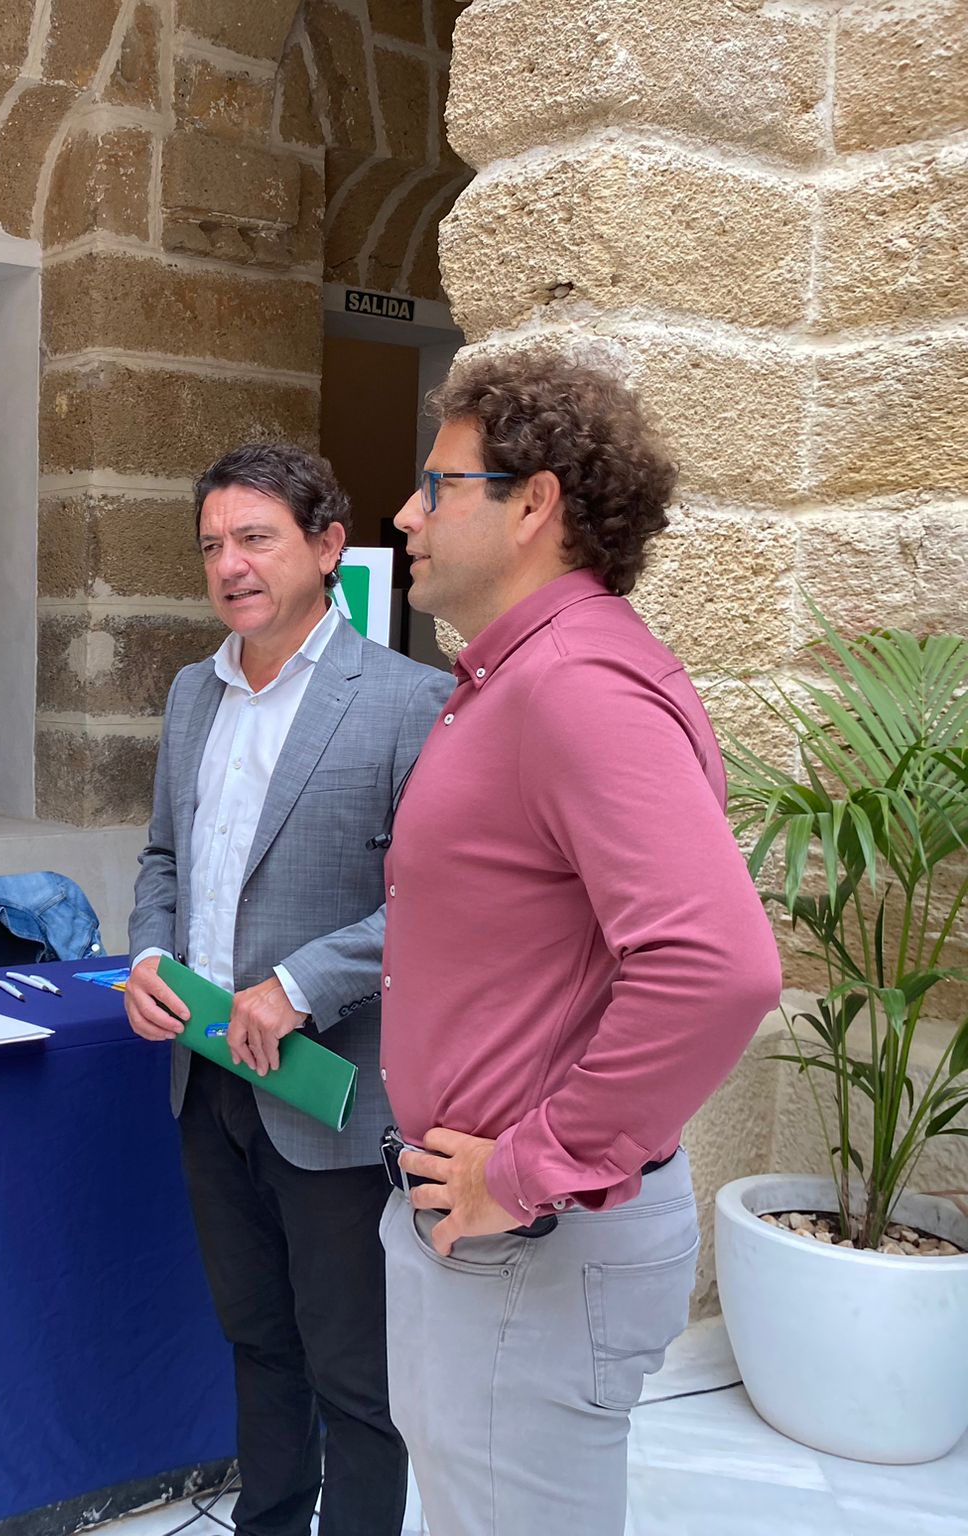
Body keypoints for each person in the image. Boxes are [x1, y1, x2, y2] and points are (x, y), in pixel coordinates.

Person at [381, 354, 783, 1535]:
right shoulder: (522, 677)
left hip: (532, 1251)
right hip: (500, 1249)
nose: (407, 512)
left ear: (533, 503)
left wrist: (521, 1170)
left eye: (438, 484)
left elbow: (716, 967)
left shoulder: (573, 685)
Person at [124, 444, 453, 1536]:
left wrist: (303, 982)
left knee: (354, 1379)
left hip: (334, 1096)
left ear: (324, 547)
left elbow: (440, 903)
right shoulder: (189, 694)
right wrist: (143, 959)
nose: (229, 565)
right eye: (211, 544)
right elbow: (163, 860)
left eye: (254, 537)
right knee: (257, 1344)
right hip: (206, 1080)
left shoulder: (412, 701)